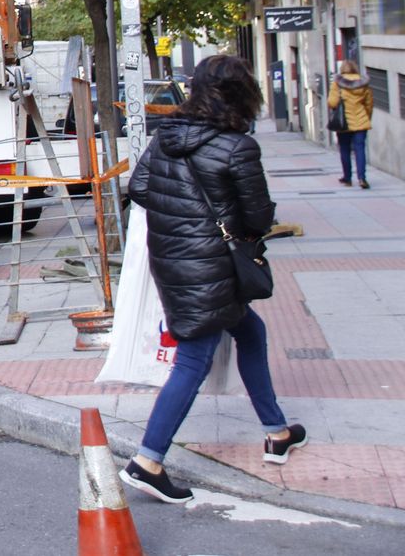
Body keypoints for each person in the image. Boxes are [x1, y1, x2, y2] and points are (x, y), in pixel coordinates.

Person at [120, 55, 304, 505]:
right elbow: (259, 216)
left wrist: (183, 218)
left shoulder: (167, 136)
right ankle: (147, 462)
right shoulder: (237, 146)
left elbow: (139, 189)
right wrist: (221, 224)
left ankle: (276, 432)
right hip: (214, 266)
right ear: (242, 94)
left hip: (174, 260)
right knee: (193, 361)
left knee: (251, 332)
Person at [326, 59, 373, 188]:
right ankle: (362, 178)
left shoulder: (338, 83)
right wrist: (367, 116)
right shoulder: (363, 82)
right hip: (361, 121)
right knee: (360, 149)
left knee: (345, 150)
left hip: (344, 122)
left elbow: (332, 102)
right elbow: (369, 103)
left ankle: (347, 178)